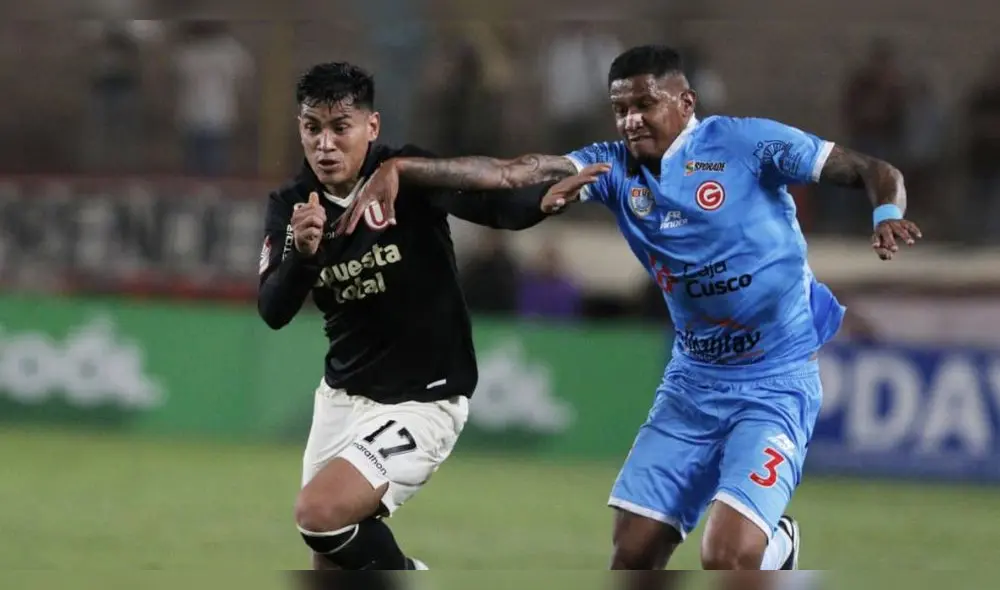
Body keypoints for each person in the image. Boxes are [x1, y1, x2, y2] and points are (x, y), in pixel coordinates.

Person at [340, 45, 922, 570]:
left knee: (729, 556)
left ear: (685, 101)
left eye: (646, 103)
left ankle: (778, 546)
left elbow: (876, 170)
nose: (631, 120)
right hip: (693, 382)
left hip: (774, 379)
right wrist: (403, 169)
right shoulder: (612, 166)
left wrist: (886, 216)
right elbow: (513, 171)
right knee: (633, 554)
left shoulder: (744, 144)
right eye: (621, 108)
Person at [257, 61, 603, 571]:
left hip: (423, 398)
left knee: (319, 512)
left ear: (371, 127)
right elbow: (273, 310)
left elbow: (489, 205)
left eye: (339, 127)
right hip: (342, 397)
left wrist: (539, 205)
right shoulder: (292, 206)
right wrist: (304, 257)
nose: (325, 144)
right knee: (332, 560)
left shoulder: (406, 173)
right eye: (312, 128)